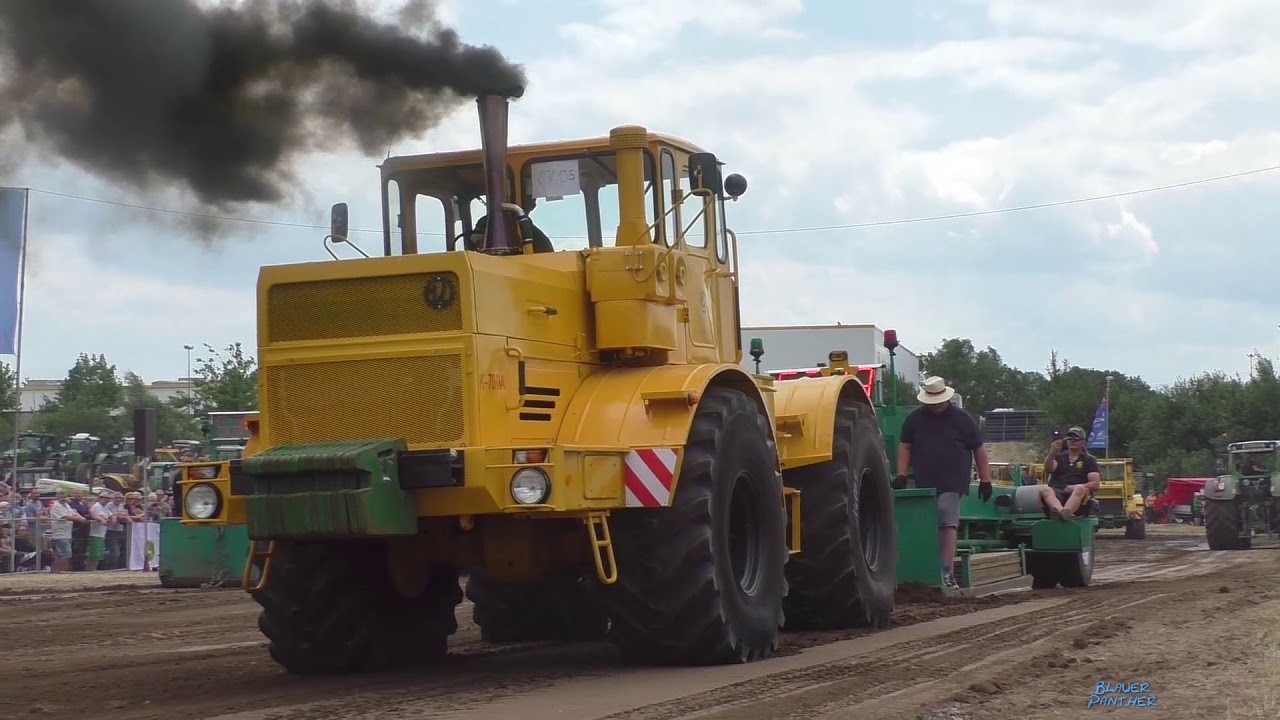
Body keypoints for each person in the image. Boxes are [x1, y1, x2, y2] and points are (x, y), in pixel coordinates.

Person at [895, 376, 991, 591]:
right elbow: (905, 446)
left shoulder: (962, 419)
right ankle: (926, 571)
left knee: (945, 517)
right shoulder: (914, 420)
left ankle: (946, 572)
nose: (936, 405)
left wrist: (985, 480)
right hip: (925, 480)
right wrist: (901, 475)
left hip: (953, 479)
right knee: (926, 522)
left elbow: (978, 448)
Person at [1039, 426, 1101, 520]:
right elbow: (1049, 469)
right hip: (1058, 492)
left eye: (1076, 438)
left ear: (1083, 442)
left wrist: (1075, 487)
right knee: (1045, 490)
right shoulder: (1059, 457)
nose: (1072, 441)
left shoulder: (1089, 460)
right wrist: (1052, 453)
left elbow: (1095, 484)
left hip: (1078, 496)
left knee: (1080, 488)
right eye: (1070, 438)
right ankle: (1061, 511)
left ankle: (1067, 511)